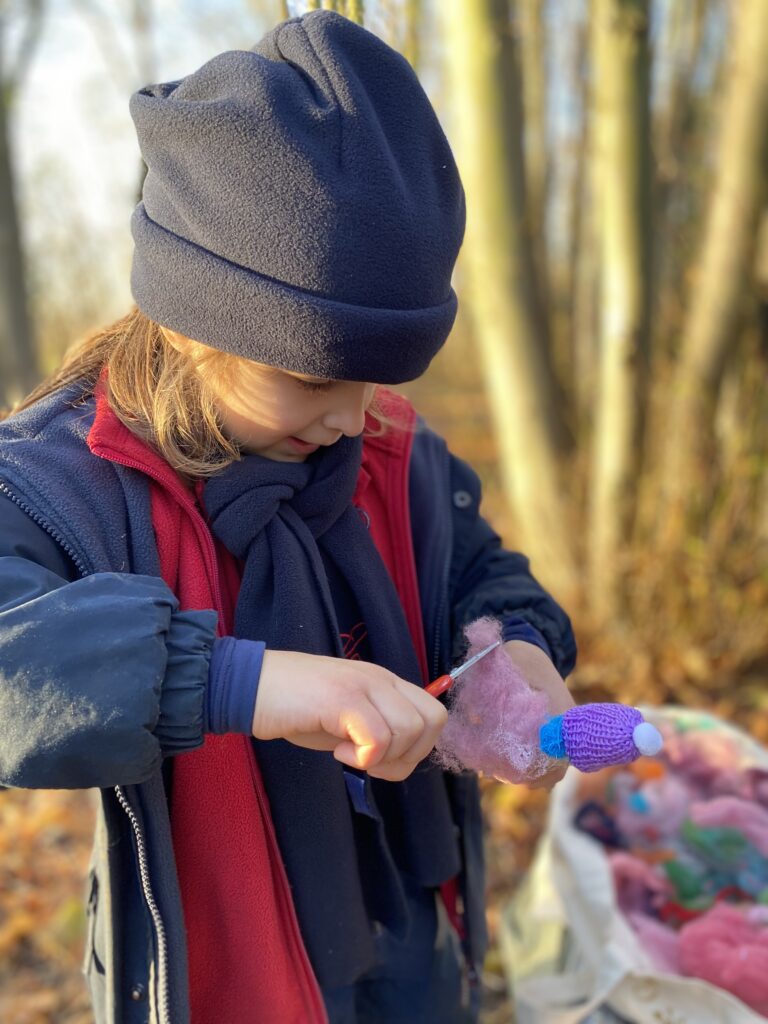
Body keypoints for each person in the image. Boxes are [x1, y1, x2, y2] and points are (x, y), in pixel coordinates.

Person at [0, 10, 576, 1024]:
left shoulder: (389, 450)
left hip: (415, 931)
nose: (358, 415)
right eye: (317, 376)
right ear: (198, 323)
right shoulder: (62, 479)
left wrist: (517, 645)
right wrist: (244, 681)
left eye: (385, 375)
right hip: (219, 972)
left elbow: (486, 573)